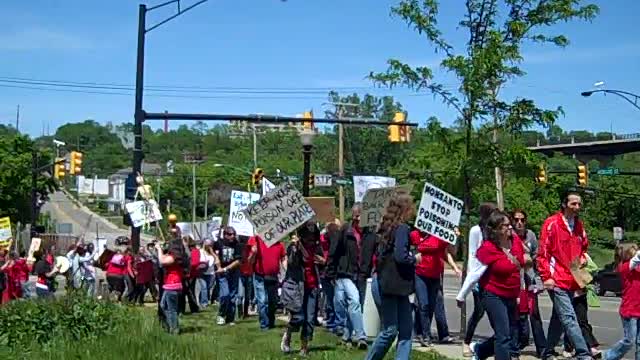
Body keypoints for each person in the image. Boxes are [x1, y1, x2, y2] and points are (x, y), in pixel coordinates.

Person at [537, 191, 594, 360]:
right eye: (573, 204)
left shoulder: (579, 225)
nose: (577, 207)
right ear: (564, 204)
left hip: (574, 278)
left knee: (559, 318)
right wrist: (546, 275)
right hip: (557, 279)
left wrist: (582, 259)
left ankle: (547, 352)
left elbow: (583, 247)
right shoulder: (551, 224)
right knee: (569, 317)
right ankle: (584, 354)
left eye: (579, 204)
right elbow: (543, 253)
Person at [365, 190, 417, 360]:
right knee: (390, 330)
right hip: (391, 285)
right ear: (405, 209)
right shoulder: (402, 228)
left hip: (392, 284)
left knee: (406, 331)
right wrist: (414, 258)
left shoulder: (386, 227)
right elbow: (401, 256)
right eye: (411, 206)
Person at [468, 210, 524, 360]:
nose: (510, 228)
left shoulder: (515, 240)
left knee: (512, 333)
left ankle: (481, 350)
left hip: (511, 294)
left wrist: (515, 261)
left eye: (509, 224)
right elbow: (505, 267)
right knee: (503, 335)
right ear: (497, 229)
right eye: (506, 226)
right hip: (493, 294)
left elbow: (522, 260)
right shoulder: (488, 247)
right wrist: (514, 262)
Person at [456, 202, 497, 357]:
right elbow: (473, 255)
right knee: (479, 311)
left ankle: (499, 343)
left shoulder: (494, 231)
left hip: (492, 276)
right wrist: (471, 280)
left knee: (495, 314)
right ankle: (467, 341)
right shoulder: (476, 231)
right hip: (478, 277)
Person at [327, 203, 370, 349]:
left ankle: (346, 336)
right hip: (346, 273)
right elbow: (334, 250)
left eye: (360, 215)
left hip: (362, 274)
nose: (358, 219)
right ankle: (361, 336)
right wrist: (331, 272)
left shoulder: (370, 232)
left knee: (357, 307)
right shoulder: (345, 230)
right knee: (354, 302)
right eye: (356, 215)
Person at [281, 221, 325, 356]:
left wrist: (323, 262)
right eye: (308, 237)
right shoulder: (294, 247)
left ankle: (304, 347)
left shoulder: (317, 248)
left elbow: (322, 263)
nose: (311, 240)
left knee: (310, 319)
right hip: (297, 287)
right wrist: (295, 247)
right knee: (298, 317)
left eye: (313, 237)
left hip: (312, 287)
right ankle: (288, 333)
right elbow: (292, 263)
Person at [411, 229, 461, 347]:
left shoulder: (439, 236)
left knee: (432, 306)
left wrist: (454, 237)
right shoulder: (414, 235)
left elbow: (448, 252)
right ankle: (425, 336)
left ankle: (424, 333)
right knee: (423, 304)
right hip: (420, 274)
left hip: (435, 276)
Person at [511, 209, 547, 357]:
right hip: (515, 280)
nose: (519, 223)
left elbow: (537, 257)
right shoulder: (508, 235)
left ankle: (542, 348)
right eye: (516, 219)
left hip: (530, 278)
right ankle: (516, 346)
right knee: (517, 314)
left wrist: (539, 280)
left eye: (522, 220)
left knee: (535, 313)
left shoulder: (530, 235)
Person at [603, 244, 640, 360]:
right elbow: (636, 259)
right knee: (629, 340)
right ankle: (608, 356)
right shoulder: (624, 268)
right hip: (629, 310)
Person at [248, 231, 287, 330]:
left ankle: (271, 321)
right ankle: (264, 325)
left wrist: (286, 270)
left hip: (273, 276)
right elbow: (250, 261)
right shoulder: (255, 240)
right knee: (262, 301)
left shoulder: (279, 243)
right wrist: (253, 253)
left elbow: (283, 258)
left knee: (272, 302)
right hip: (259, 276)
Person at [156, 239, 186, 335]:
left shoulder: (174, 257)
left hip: (172, 285)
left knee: (171, 309)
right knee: (163, 305)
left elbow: (162, 261)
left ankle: (174, 328)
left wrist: (159, 249)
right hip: (170, 285)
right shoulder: (177, 256)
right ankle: (171, 325)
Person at [214, 226, 242, 326]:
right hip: (222, 274)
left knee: (232, 295)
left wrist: (225, 268)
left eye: (234, 234)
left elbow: (238, 261)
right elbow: (212, 251)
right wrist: (217, 262)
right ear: (225, 235)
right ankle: (221, 315)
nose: (232, 236)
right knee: (225, 294)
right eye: (230, 234)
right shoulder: (219, 243)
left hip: (233, 273)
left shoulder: (237, 245)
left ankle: (230, 318)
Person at [238, 235, 255, 318]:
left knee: (247, 295)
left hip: (249, 273)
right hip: (241, 274)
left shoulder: (251, 249)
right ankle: (240, 313)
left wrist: (253, 253)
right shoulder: (239, 249)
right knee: (240, 295)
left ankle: (245, 313)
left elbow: (251, 261)